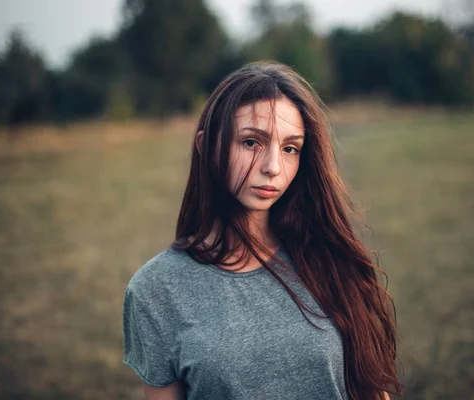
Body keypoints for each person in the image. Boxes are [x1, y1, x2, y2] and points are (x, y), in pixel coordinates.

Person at [122, 61, 402, 400]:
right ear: (207, 146)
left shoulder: (327, 256)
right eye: (252, 142)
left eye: (290, 148)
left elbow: (371, 390)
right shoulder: (156, 290)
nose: (273, 167)